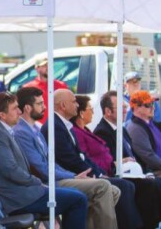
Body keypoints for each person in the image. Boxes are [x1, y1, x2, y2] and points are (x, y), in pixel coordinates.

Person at [13, 87, 119, 229]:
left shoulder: (35, 129)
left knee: (114, 191)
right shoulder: (22, 132)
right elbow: (41, 168)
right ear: (27, 108)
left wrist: (74, 176)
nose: (45, 107)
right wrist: (74, 176)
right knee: (103, 186)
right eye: (40, 104)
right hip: (47, 183)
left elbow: (51, 162)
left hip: (56, 178)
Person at [0, 92, 88, 228]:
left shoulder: (2, 131)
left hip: (25, 193)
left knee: (78, 195)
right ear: (2, 115)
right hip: (18, 199)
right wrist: (37, 182)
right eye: (15, 108)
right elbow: (11, 171)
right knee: (78, 199)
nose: (20, 111)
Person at [72, 94, 161, 228]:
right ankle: (149, 225)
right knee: (149, 186)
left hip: (131, 171)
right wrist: (116, 163)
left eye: (125, 107)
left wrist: (147, 172)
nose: (125, 111)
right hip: (116, 173)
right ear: (108, 111)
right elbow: (95, 159)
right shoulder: (102, 131)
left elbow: (135, 155)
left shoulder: (121, 129)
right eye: (120, 108)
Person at [41, 89, 142, 229]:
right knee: (112, 186)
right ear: (63, 105)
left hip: (77, 174)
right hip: (67, 176)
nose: (77, 105)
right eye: (74, 102)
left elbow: (81, 156)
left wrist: (98, 173)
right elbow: (69, 159)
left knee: (117, 189)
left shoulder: (65, 126)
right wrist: (95, 174)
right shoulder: (54, 127)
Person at [22, 56, 68, 124]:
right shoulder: (28, 88)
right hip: (38, 128)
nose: (48, 67)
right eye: (44, 65)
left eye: (50, 65)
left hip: (57, 126)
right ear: (37, 68)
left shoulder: (61, 86)